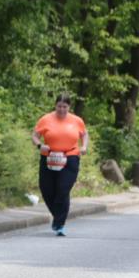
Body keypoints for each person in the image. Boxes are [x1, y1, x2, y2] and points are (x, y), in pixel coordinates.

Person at [31, 93, 89, 236]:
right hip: (49, 157)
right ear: (55, 105)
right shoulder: (46, 119)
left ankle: (59, 222)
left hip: (70, 157)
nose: (62, 110)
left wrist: (84, 146)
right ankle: (58, 216)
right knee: (47, 189)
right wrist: (40, 145)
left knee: (63, 189)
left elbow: (84, 134)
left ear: (69, 107)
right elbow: (34, 135)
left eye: (65, 107)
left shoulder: (76, 120)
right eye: (59, 106)